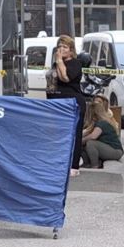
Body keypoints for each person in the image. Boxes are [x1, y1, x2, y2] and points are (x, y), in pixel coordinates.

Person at [47, 35, 87, 177]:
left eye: (65, 47)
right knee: (57, 134)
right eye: (59, 46)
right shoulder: (56, 64)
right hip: (57, 103)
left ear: (71, 50)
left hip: (72, 103)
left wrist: (59, 61)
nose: (61, 49)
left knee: (74, 134)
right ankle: (59, 162)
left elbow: (65, 78)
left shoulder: (75, 63)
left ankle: (74, 165)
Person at [81, 96, 124, 168]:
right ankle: (86, 163)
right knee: (83, 144)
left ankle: (94, 165)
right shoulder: (96, 123)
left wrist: (81, 140)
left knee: (90, 143)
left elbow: (93, 136)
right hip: (108, 148)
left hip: (116, 151)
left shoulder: (102, 123)